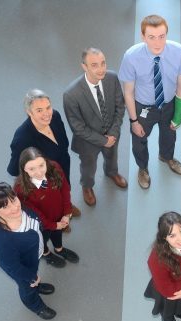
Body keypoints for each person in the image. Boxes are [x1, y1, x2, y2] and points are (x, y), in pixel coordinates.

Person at [119, 14, 181, 189]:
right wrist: (134, 120)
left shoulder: (179, 52)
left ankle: (166, 157)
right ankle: (142, 168)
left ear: (167, 34)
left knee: (170, 135)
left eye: (162, 36)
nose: (157, 42)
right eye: (151, 37)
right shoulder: (131, 56)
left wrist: (178, 115)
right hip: (143, 107)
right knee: (139, 141)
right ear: (143, 36)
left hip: (168, 104)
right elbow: (128, 93)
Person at [63, 47, 127, 206]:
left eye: (103, 63)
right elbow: (77, 127)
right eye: (94, 65)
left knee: (112, 157)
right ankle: (87, 186)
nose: (101, 69)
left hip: (112, 134)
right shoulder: (71, 94)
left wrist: (113, 133)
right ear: (84, 66)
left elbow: (120, 107)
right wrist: (102, 140)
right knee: (88, 167)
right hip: (88, 142)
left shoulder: (112, 78)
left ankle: (112, 172)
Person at [0, 182, 56, 320]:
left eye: (14, 200)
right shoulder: (0, 239)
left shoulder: (24, 209)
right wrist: (31, 277)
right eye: (5, 206)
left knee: (34, 276)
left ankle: (36, 285)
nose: (15, 207)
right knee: (27, 287)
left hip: (34, 255)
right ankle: (36, 305)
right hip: (23, 268)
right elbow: (11, 266)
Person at [7, 89, 81, 217]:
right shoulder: (22, 138)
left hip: (63, 165)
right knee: (50, 202)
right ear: (29, 112)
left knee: (65, 188)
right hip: (43, 176)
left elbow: (63, 144)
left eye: (48, 107)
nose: (47, 114)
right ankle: (58, 218)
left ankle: (66, 206)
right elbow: (14, 169)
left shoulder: (55, 116)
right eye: (39, 110)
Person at [14, 147, 79, 268]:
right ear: (24, 169)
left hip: (58, 216)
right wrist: (52, 225)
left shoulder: (55, 168)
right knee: (42, 240)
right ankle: (46, 253)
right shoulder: (20, 188)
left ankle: (59, 249)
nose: (39, 172)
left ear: (45, 161)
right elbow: (34, 213)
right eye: (31, 169)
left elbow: (64, 190)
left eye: (41, 165)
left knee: (57, 233)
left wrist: (66, 213)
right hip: (41, 224)